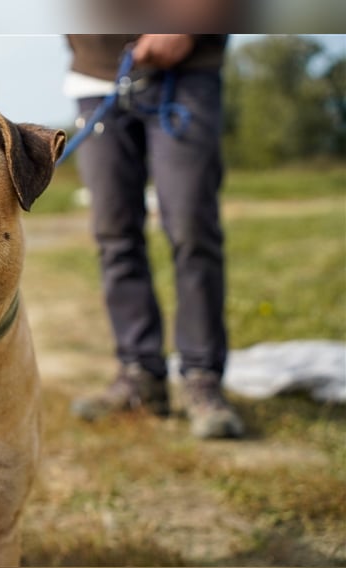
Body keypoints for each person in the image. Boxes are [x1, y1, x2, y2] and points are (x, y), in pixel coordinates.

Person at [64, 34, 244, 439]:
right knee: (113, 234)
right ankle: (139, 376)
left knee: (191, 228)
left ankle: (202, 378)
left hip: (186, 70)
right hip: (95, 77)